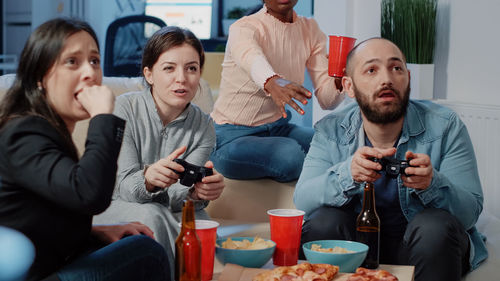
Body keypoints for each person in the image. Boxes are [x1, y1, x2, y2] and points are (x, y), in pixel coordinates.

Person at [294, 38, 487, 281]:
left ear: (407, 79)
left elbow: (469, 213)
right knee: (324, 222)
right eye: (371, 70)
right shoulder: (331, 130)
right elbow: (303, 200)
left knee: (434, 226)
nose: (387, 79)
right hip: (356, 247)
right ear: (349, 86)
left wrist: (432, 184)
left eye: (396, 69)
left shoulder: (446, 126)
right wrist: (348, 174)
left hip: (425, 249)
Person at [0, 18, 170, 281]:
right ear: (39, 78)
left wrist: (97, 231)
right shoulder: (24, 132)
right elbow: (89, 194)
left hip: (47, 263)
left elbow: (44, 216)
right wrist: (103, 117)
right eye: (72, 62)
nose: (90, 73)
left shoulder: (43, 130)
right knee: (146, 252)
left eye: (94, 60)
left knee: (128, 240)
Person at [94, 26, 225, 268]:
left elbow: (180, 197)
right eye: (169, 68)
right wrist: (147, 179)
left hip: (168, 208)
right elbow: (122, 185)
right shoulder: (123, 109)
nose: (182, 78)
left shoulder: (204, 125)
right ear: (149, 73)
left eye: (191, 68)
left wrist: (196, 194)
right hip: (112, 205)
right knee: (153, 214)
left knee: (203, 229)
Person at [210, 0, 344, 182]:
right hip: (230, 136)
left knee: (335, 143)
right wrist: (272, 82)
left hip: (278, 127)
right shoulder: (243, 28)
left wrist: (338, 79)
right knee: (290, 155)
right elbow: (251, 57)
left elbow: (327, 101)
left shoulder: (310, 29)